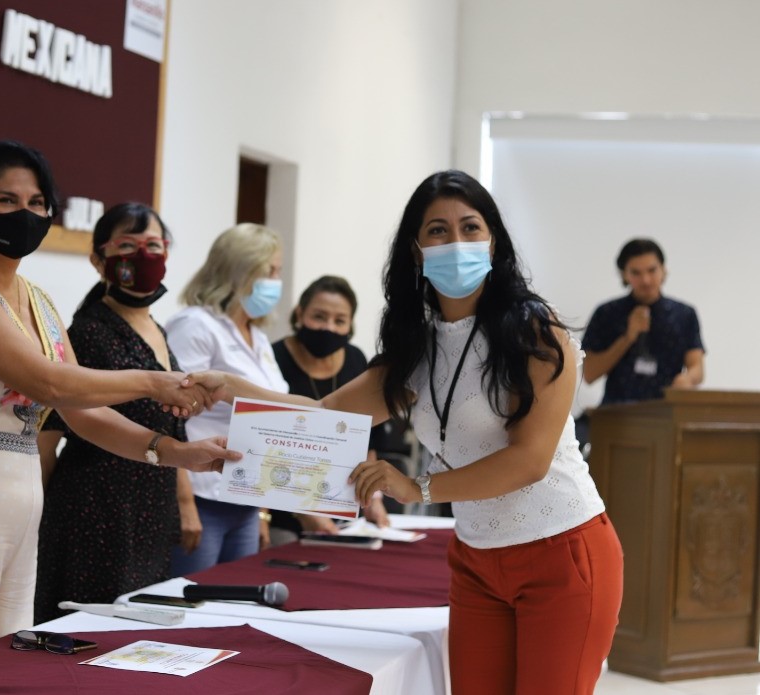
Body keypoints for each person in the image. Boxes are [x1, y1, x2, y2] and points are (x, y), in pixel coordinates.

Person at [187, 170, 624, 695]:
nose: (456, 242)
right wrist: (231, 388)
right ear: (417, 250)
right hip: (477, 560)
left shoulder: (535, 330)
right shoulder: (418, 346)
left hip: (561, 550)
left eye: (470, 227)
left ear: (493, 241)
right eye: (438, 230)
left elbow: (529, 461)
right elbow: (326, 412)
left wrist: (417, 487)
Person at [0, 142, 235, 675]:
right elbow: (47, 382)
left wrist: (175, 453)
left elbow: (83, 415)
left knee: (4, 676)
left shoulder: (41, 303)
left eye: (37, 202)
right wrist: (153, 383)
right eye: (6, 200)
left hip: (22, 510)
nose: (24, 214)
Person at [34, 202, 185, 623]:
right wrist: (38, 518)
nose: (143, 256)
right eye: (128, 246)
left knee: (142, 628)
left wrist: (184, 503)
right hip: (96, 507)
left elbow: (171, 423)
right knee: (94, 628)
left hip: (151, 503)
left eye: (153, 245)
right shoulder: (88, 332)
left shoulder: (158, 328)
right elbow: (47, 436)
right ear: (99, 259)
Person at [164, 223, 289, 576]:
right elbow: (169, 416)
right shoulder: (195, 325)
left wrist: (263, 510)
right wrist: (183, 502)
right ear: (239, 270)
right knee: (191, 599)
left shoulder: (257, 336)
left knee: (233, 600)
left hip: (245, 497)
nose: (276, 281)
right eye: (270, 271)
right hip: (201, 496)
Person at [268, 275, 393, 545]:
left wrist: (373, 499)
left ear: (350, 325)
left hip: (343, 509)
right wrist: (300, 511)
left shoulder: (356, 360)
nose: (328, 328)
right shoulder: (273, 359)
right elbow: (266, 447)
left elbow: (369, 438)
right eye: (319, 316)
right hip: (281, 510)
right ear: (299, 314)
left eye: (340, 321)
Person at [582, 238, 704, 404]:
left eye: (652, 270)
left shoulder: (684, 314)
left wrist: (687, 379)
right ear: (624, 274)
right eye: (636, 273)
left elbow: (697, 367)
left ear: (663, 270)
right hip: (616, 411)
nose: (646, 280)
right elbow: (589, 374)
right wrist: (628, 338)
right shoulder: (606, 313)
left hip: (666, 409)